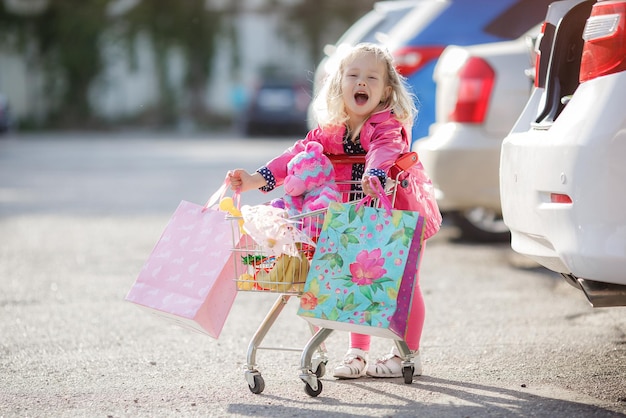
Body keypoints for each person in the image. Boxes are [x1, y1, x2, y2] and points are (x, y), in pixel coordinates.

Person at [228, 43, 442, 379]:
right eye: (353, 75)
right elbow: (297, 156)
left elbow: (385, 153)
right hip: (352, 217)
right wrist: (255, 179)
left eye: (371, 77)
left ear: (386, 90)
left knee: (405, 283)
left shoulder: (388, 126)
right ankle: (357, 353)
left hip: (397, 215)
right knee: (359, 281)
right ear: (339, 83)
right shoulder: (330, 132)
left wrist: (375, 175)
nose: (362, 83)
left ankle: (407, 355)